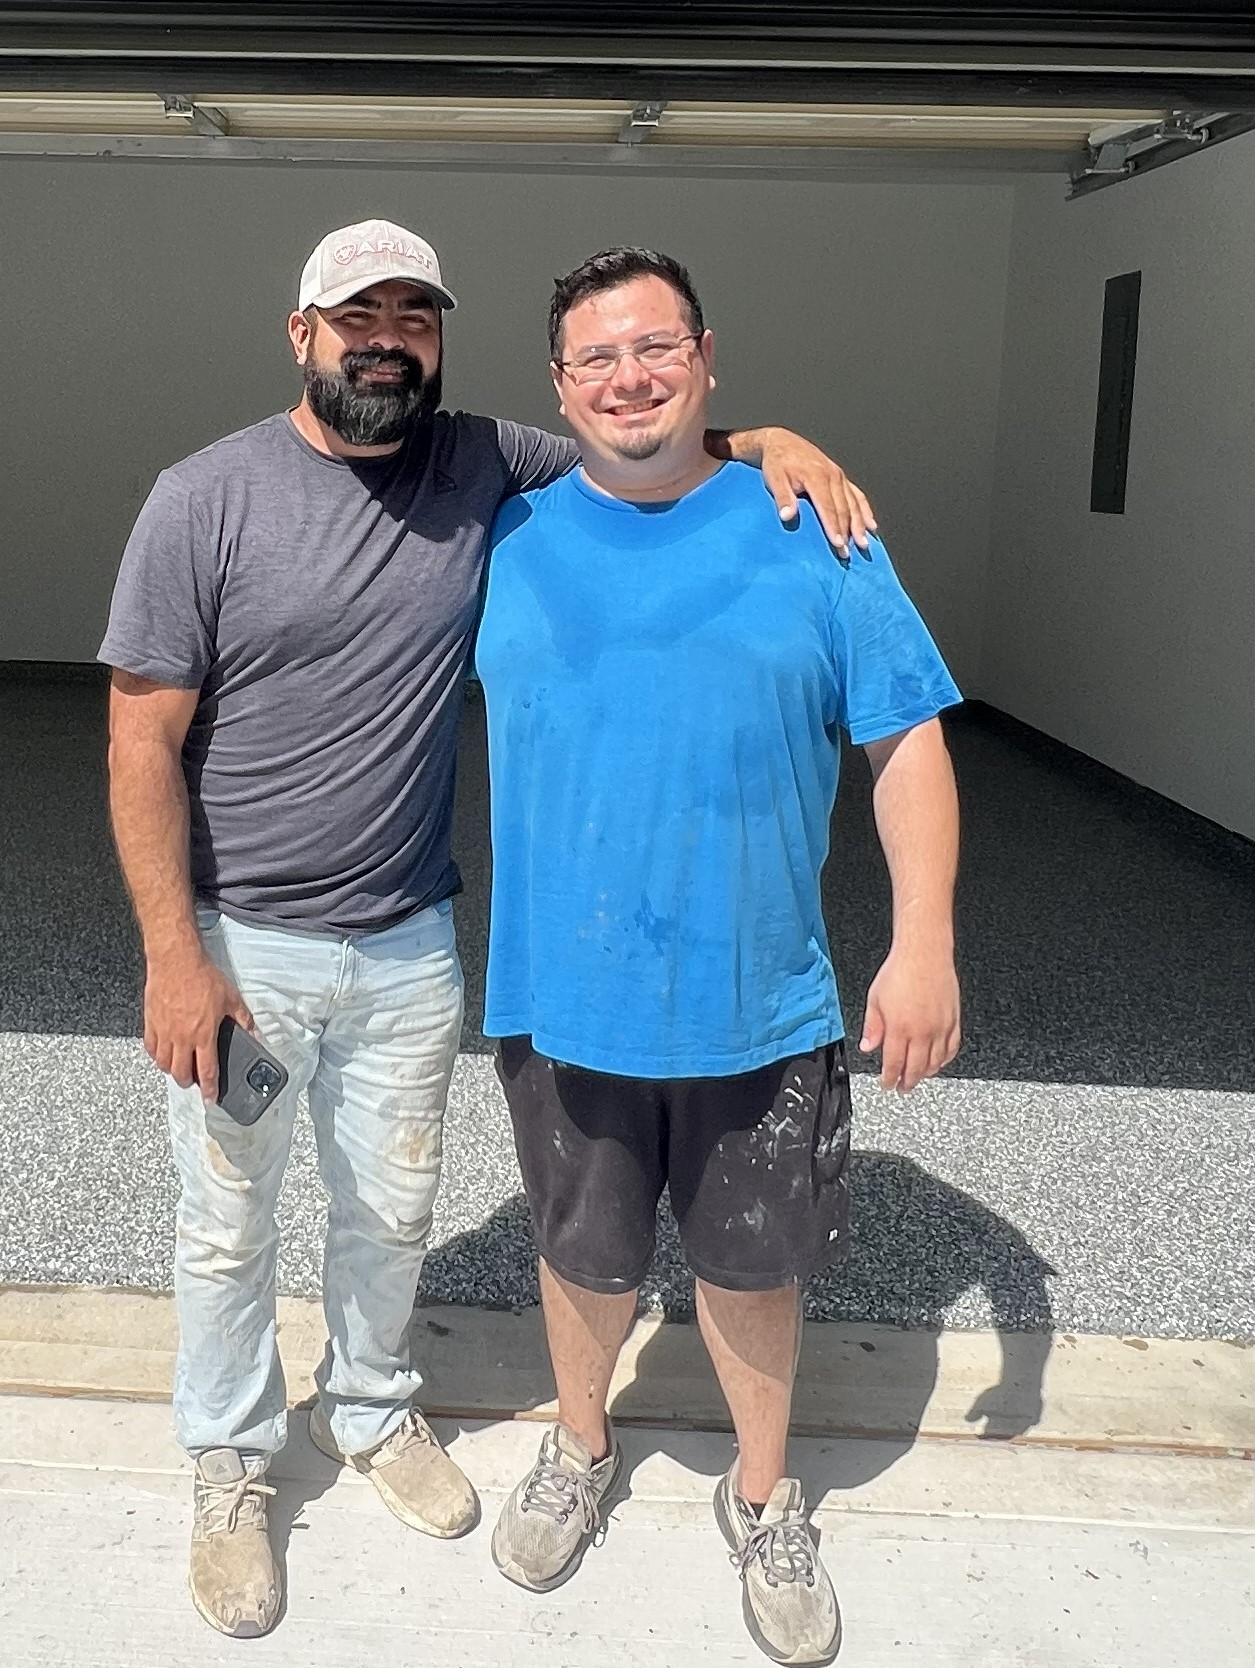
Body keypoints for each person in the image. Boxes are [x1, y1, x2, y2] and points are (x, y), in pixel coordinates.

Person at [99, 219, 877, 1640]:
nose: (385, 340)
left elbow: (641, 433)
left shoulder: (481, 466)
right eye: (357, 317)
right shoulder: (201, 499)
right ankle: (229, 1462)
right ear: (302, 334)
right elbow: (139, 741)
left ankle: (370, 1409)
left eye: (414, 315)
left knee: (387, 1210)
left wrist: (774, 440)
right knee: (225, 1225)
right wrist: (172, 957)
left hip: (408, 943)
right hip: (246, 949)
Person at [472, 247, 962, 1666]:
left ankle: (761, 1496)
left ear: (705, 358)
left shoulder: (815, 530)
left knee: (752, 1266)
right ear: (558, 384)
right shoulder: (503, 537)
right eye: (596, 357)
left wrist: (923, 940)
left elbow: (905, 741)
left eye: (656, 347)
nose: (628, 377)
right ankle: (580, 1447)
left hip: (757, 998)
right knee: (581, 1252)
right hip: (562, 994)